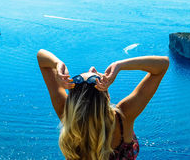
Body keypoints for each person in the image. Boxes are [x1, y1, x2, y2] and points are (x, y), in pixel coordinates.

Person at [37, 49, 169, 160]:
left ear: (73, 102)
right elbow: (162, 65)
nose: (92, 68)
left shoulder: (66, 114)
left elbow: (41, 56)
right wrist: (119, 65)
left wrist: (58, 64)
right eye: (96, 76)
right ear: (107, 97)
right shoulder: (124, 116)